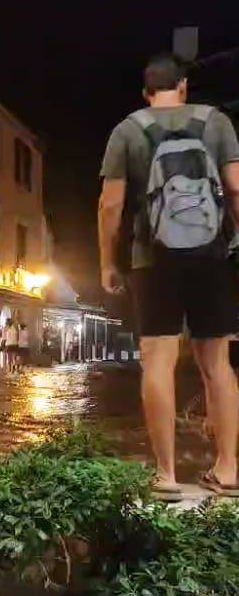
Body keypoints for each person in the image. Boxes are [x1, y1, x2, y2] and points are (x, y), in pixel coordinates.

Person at [99, 52, 239, 499]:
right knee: (216, 364)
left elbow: (110, 205)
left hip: (153, 259)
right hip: (212, 255)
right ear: (182, 87)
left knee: (157, 359)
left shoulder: (128, 129)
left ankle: (165, 475)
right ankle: (229, 469)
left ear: (146, 92)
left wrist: (107, 260)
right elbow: (235, 188)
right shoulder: (216, 123)